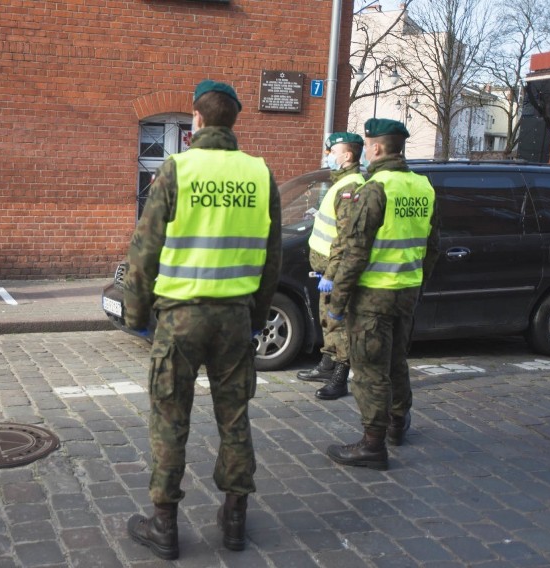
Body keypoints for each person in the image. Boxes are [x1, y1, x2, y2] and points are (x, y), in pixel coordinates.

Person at [123, 79, 281, 559]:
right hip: (234, 317)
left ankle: (164, 525)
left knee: (170, 419)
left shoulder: (178, 169)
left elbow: (145, 248)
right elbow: (270, 259)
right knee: (235, 418)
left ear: (196, 118)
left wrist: (135, 312)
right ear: (234, 120)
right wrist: (255, 316)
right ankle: (235, 522)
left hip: (180, 319)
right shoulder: (259, 174)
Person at [325, 118, 439, 470]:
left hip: (373, 295)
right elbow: (432, 246)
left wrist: (338, 302)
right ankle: (397, 423)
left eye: (369, 143)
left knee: (370, 368)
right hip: (405, 291)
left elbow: (355, 250)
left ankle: (373, 445)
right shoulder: (422, 186)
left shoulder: (375, 188)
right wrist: (417, 283)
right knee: (396, 361)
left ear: (375, 148)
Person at [297, 132, 365, 402]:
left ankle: (340, 376)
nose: (328, 156)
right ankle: (327, 364)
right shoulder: (339, 183)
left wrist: (334, 272)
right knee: (327, 318)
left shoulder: (351, 186)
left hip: (335, 270)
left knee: (340, 321)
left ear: (347, 155)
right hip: (326, 268)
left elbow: (347, 237)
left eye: (332, 151)